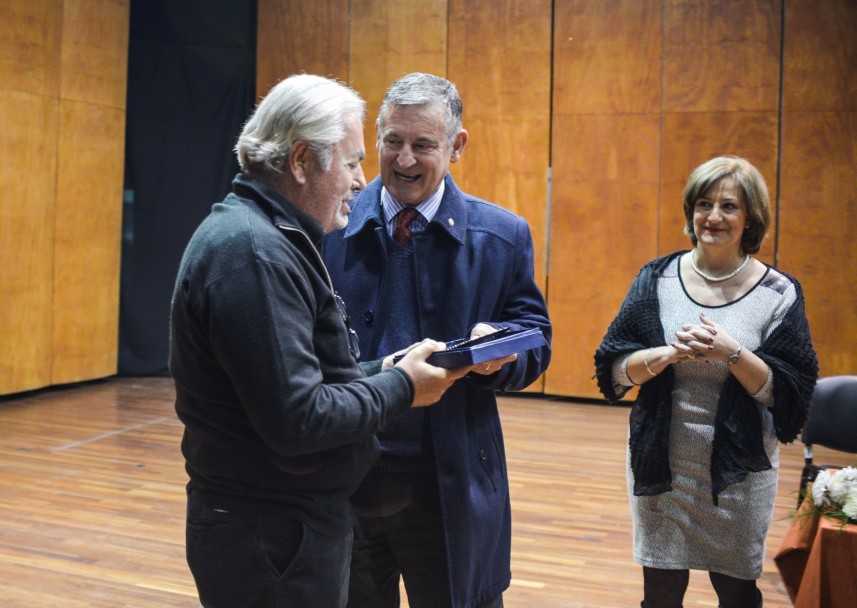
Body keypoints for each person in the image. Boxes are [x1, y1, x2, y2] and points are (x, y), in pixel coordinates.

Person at [169, 74, 471, 608]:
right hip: (271, 534)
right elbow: (300, 418)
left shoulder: (267, 234)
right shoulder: (253, 252)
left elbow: (302, 381)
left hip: (284, 527)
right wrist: (403, 386)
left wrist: (381, 368)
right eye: (353, 161)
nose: (362, 180)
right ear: (303, 160)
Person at [322, 72, 552, 608]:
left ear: (457, 145)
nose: (404, 160)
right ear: (374, 138)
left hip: (449, 484)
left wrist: (503, 351)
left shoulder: (502, 235)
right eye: (392, 142)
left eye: (423, 145)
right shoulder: (330, 225)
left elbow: (535, 335)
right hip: (349, 476)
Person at [594, 156, 818, 608]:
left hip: (739, 475)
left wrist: (731, 352)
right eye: (703, 204)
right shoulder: (656, 278)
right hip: (662, 465)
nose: (713, 217)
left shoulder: (778, 292)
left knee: (736, 592)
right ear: (690, 211)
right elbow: (615, 370)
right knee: (659, 594)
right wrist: (668, 353)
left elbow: (788, 395)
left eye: (729, 206)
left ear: (751, 217)